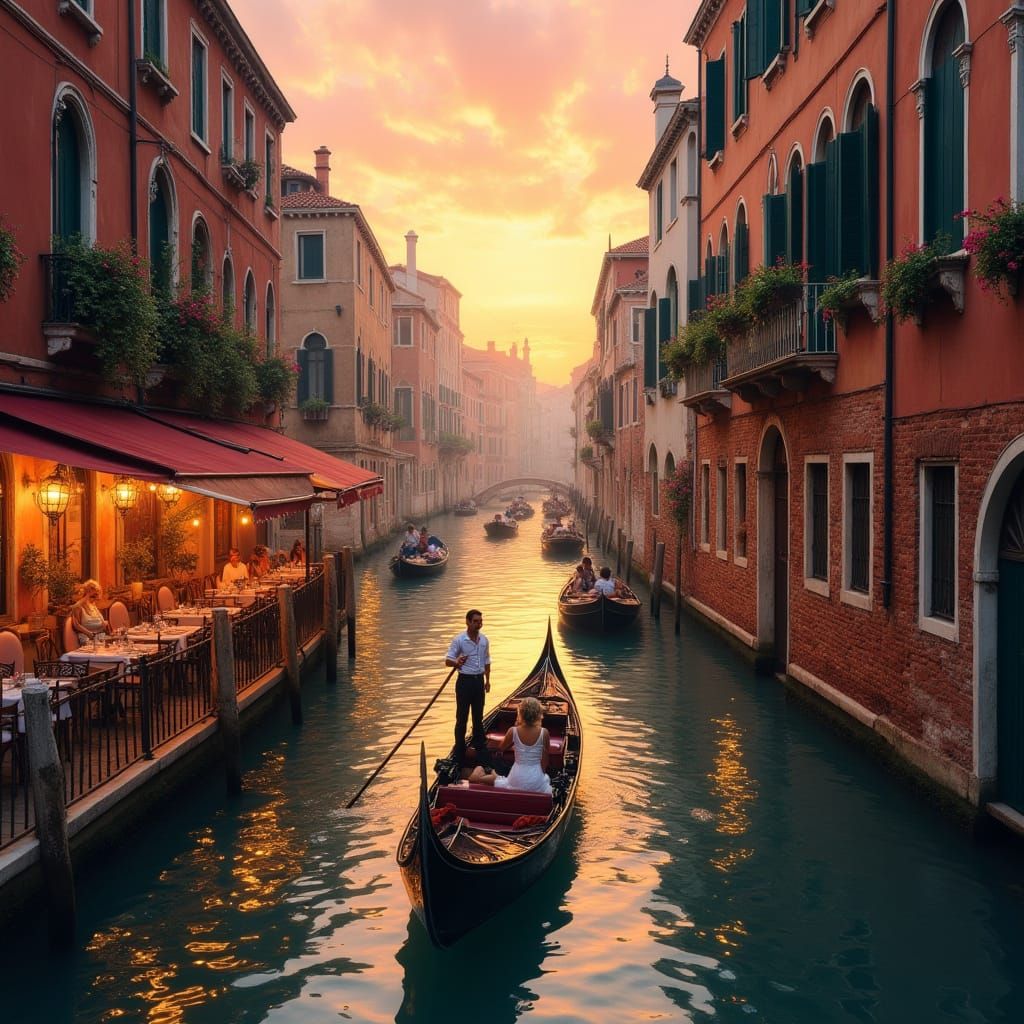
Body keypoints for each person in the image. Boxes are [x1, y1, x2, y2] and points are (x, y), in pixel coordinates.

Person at [469, 696, 552, 795]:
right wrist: (539, 775)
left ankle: (479, 776)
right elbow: (545, 760)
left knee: (501, 779)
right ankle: (488, 774)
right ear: (538, 714)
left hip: (516, 777)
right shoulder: (544, 732)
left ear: (520, 713)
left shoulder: (513, 731)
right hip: (536, 778)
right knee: (545, 779)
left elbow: (501, 748)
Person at [445, 609, 491, 771]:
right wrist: (456, 662)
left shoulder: (484, 640)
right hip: (464, 682)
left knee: (478, 718)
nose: (479, 624)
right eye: (476, 621)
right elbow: (448, 661)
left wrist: (487, 680)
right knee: (461, 718)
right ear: (468, 622)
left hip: (478, 682)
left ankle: (481, 750)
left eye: (480, 621)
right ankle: (459, 751)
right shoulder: (459, 640)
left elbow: (487, 660)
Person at [71, 579, 110, 645]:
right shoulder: (78, 607)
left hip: (100, 637)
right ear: (85, 594)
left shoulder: (93, 605)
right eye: (93, 595)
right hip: (87, 639)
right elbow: (77, 625)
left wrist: (105, 624)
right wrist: (90, 634)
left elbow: (103, 624)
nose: (95, 598)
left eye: (96, 595)